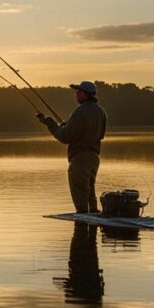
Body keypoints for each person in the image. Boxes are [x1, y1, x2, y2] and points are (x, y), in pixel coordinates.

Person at [36, 81, 107, 213]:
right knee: (90, 191)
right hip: (94, 158)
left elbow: (66, 137)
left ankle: (82, 223)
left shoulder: (80, 112)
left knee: (80, 195)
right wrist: (64, 126)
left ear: (85, 94)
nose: (76, 94)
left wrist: (51, 124)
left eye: (79, 92)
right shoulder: (101, 112)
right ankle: (93, 220)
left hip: (80, 158)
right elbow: (97, 134)